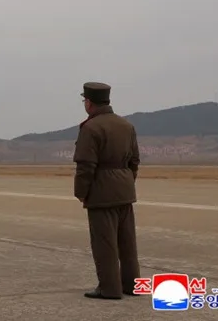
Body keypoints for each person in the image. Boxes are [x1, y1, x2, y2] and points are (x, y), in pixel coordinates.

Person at [73, 81, 141, 300]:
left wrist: (81, 192)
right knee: (127, 243)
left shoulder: (91, 128)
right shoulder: (126, 125)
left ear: (89, 102)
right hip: (125, 191)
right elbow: (134, 161)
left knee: (104, 244)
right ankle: (132, 285)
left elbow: (85, 165)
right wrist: (126, 182)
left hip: (101, 194)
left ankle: (109, 288)